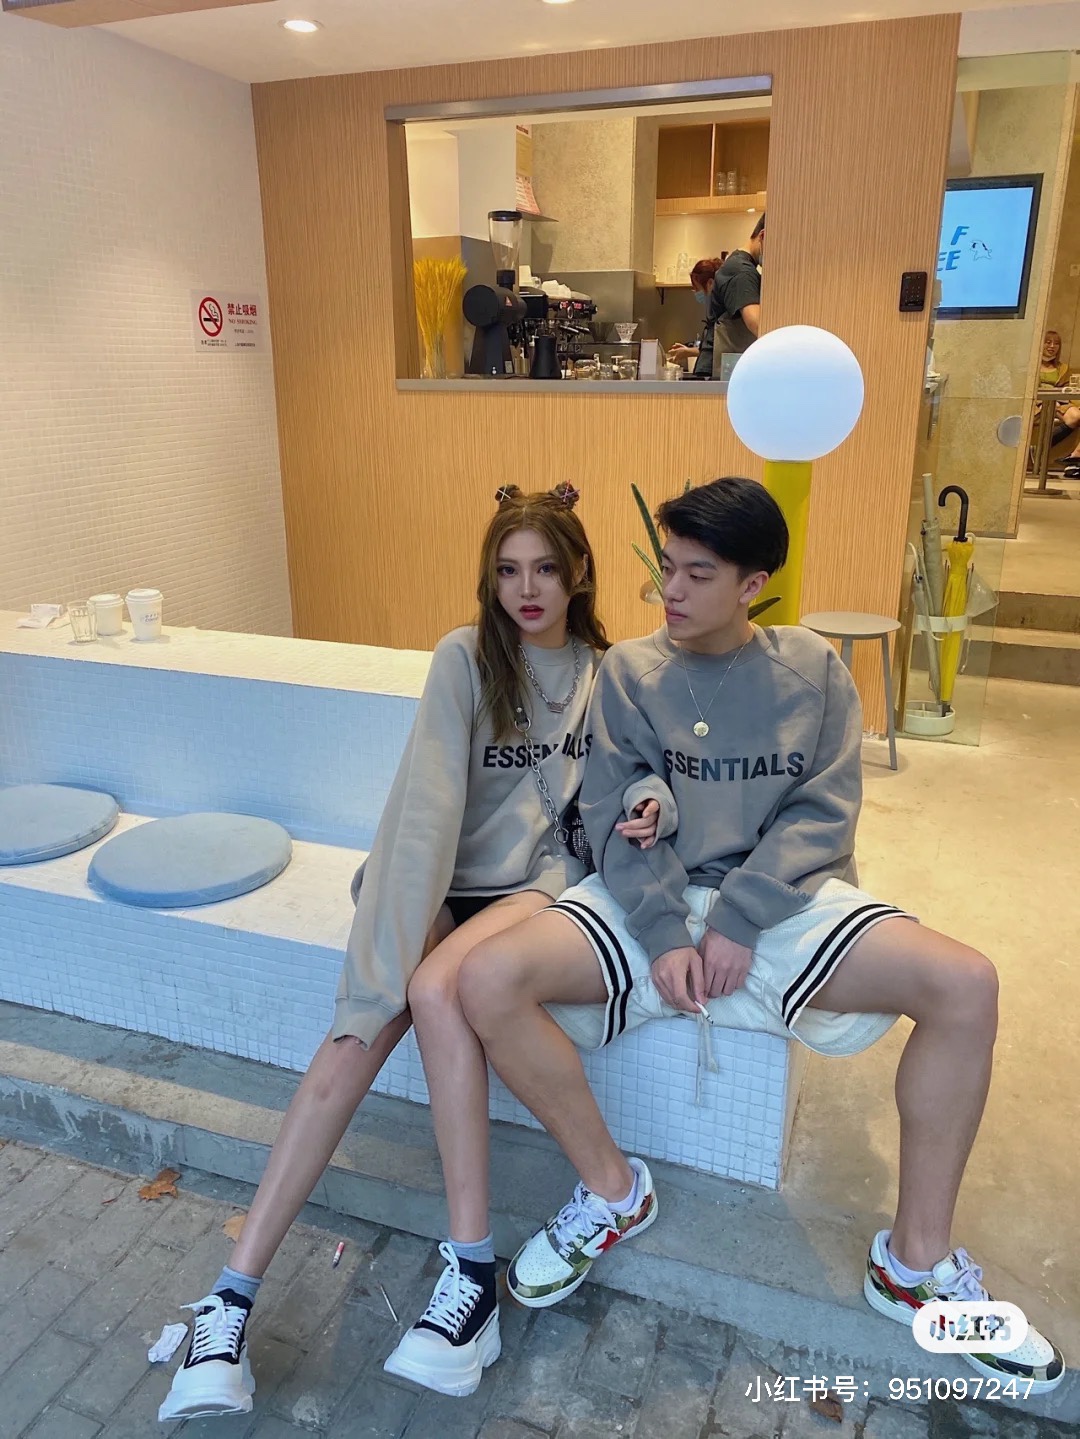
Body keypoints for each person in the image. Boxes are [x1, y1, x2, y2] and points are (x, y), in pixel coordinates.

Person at [455, 477, 1065, 1395]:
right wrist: (667, 927)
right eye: (667, 567)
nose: (672, 590)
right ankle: (614, 1192)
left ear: (753, 584)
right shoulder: (630, 673)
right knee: (485, 978)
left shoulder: (811, 670)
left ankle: (915, 1264)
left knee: (966, 983)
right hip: (648, 898)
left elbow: (823, 809)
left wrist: (740, 916)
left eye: (699, 574)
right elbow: (614, 808)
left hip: (780, 905)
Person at [158, 483, 676, 1421]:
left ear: (579, 573)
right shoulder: (465, 659)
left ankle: (469, 1275)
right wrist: (385, 961)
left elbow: (639, 773)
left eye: (545, 569)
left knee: (438, 992)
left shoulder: (606, 674)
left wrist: (652, 803)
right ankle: (227, 1302)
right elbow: (428, 814)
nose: (526, 589)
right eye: (508, 570)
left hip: (533, 883)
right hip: (431, 879)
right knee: (354, 1036)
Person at [1037, 329, 1080, 475]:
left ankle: (1040, 449)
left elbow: (1068, 389)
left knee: (1075, 416)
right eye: (1048, 342)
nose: (1052, 346)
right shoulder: (1032, 366)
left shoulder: (1062, 368)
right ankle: (1038, 451)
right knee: (1050, 406)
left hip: (1059, 402)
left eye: (1056, 343)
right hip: (1037, 403)